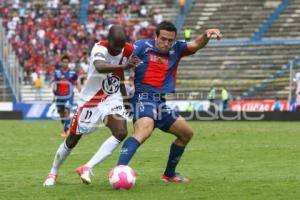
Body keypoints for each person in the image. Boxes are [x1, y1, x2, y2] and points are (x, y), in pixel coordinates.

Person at [116, 21, 222, 182]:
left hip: (161, 103)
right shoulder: (141, 46)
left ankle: (169, 174)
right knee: (145, 130)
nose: (166, 43)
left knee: (186, 134)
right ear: (156, 36)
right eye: (163, 39)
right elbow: (121, 58)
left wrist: (206, 34)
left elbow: (195, 44)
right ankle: (119, 170)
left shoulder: (177, 48)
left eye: (170, 40)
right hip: (143, 97)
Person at [43, 25, 140, 186]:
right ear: (108, 41)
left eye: (121, 48)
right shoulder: (99, 48)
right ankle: (53, 172)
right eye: (115, 48)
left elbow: (120, 73)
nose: (118, 51)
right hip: (90, 101)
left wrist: (124, 98)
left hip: (111, 98)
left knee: (121, 131)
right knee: (72, 140)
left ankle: (87, 167)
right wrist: (124, 66)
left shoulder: (126, 49)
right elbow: (101, 67)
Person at [51, 55, 80, 137]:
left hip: (69, 95)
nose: (65, 63)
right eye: (64, 62)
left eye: (67, 62)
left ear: (68, 63)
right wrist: (53, 88)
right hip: (59, 95)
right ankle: (66, 125)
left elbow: (77, 83)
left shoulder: (72, 73)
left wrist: (80, 92)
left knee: (67, 111)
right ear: (61, 63)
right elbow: (54, 82)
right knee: (61, 114)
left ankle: (66, 131)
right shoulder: (57, 72)